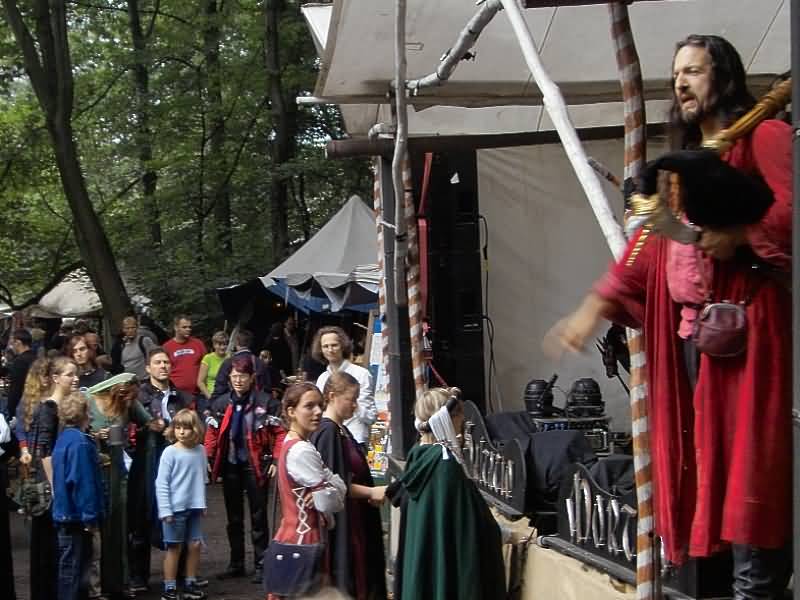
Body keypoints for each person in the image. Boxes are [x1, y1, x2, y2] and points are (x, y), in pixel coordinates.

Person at [545, 34, 792, 599]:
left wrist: (742, 235)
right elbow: (647, 253)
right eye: (676, 73)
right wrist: (592, 305)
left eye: (694, 71)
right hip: (695, 345)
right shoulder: (684, 170)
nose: (681, 83)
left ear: (724, 77)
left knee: (752, 484)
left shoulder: (764, 138)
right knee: (712, 485)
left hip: (752, 338)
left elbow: (791, 212)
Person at [392, 387, 505, 600]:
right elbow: (469, 528)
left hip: (423, 567)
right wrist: (501, 532)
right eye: (460, 417)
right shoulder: (446, 465)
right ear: (451, 419)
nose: (463, 423)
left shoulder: (418, 456)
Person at [205, 355, 284, 582]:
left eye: (243, 376)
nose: (238, 380)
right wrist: (208, 458)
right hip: (230, 465)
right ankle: (236, 563)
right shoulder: (221, 403)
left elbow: (280, 433)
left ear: (252, 378)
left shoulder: (267, 403)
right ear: (229, 378)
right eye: (234, 376)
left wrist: (276, 460)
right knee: (233, 517)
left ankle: (261, 564)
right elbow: (211, 433)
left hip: (256, 465)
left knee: (259, 516)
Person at [265, 383, 347, 600]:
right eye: (309, 406)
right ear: (291, 412)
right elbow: (330, 501)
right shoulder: (301, 450)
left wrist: (332, 488)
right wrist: (332, 489)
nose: (318, 411)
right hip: (304, 542)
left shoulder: (294, 443)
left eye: (320, 405)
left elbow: (337, 487)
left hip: (291, 537)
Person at [311, 372, 387, 600]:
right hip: (346, 523)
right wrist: (372, 491)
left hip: (357, 518)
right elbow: (336, 483)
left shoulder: (341, 430)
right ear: (332, 396)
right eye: (350, 399)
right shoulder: (328, 432)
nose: (355, 405)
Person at [128, 347, 194, 592]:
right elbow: (128, 428)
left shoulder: (182, 397)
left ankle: (181, 573)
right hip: (147, 461)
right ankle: (138, 576)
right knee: (142, 515)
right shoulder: (137, 396)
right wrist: (148, 427)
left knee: (180, 512)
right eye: (157, 362)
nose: (163, 366)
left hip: (177, 462)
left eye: (166, 362)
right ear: (148, 368)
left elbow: (194, 426)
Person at [88, 373, 157, 600]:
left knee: (119, 525)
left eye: (131, 398)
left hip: (118, 472)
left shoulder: (130, 403)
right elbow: (75, 429)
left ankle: (120, 582)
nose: (128, 401)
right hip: (94, 469)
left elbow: (149, 422)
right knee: (98, 528)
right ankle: (96, 585)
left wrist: (161, 426)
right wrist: (95, 435)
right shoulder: (88, 400)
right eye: (125, 397)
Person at [25, 356, 80, 600]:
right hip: (50, 487)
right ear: (56, 378)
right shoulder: (48, 408)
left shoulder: (65, 406)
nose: (75, 379)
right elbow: (44, 453)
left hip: (60, 481)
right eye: (69, 374)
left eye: (76, 374)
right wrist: (57, 490)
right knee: (50, 546)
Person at [52, 392, 105, 600]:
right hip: (76, 517)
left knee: (68, 569)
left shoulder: (63, 439)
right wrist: (90, 517)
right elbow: (83, 483)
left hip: (64, 513)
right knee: (76, 571)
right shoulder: (80, 443)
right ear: (83, 414)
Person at [155, 409, 209, 600]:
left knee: (195, 545)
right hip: (174, 509)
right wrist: (165, 509)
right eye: (178, 427)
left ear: (195, 429)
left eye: (186, 428)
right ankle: (169, 587)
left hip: (194, 507)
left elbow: (202, 478)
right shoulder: (170, 452)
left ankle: (190, 582)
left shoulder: (201, 450)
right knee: (174, 547)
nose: (181, 432)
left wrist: (202, 503)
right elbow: (161, 483)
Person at [313, 326, 376, 449]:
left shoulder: (361, 374)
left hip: (355, 440)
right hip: (328, 439)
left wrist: (351, 403)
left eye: (334, 345)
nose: (330, 350)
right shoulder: (322, 379)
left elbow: (370, 416)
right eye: (325, 346)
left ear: (343, 346)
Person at [210, 328, 271, 401]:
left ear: (236, 343)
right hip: (256, 403)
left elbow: (220, 388)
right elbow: (267, 388)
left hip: (233, 402)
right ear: (251, 343)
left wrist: (213, 403)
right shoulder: (261, 363)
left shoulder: (228, 362)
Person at [163, 315, 207, 397]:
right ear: (176, 328)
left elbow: (207, 366)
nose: (188, 329)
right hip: (176, 395)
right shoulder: (166, 347)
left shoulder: (198, 344)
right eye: (184, 327)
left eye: (190, 327)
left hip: (198, 394)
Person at [2, 329, 37, 419]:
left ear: (18, 342)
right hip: (34, 403)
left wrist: (11, 409)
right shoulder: (37, 358)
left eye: (12, 343)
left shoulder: (20, 361)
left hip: (21, 406)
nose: (11, 347)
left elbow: (16, 388)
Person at [197, 330, 229, 411]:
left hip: (225, 397)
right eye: (219, 344)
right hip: (209, 396)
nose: (222, 347)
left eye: (225, 344)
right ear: (214, 345)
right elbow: (200, 382)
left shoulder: (230, 358)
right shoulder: (208, 358)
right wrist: (211, 398)